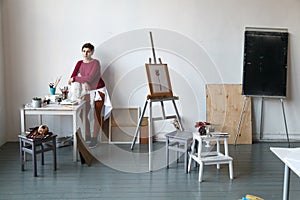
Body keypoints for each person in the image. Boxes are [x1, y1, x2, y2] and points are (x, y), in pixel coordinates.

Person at [68, 43, 108, 148]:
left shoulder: (96, 63)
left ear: (92, 52)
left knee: (96, 114)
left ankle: (94, 138)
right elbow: (72, 76)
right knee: (82, 114)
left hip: (98, 90)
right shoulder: (79, 63)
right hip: (87, 91)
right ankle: (88, 136)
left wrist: (78, 79)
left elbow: (89, 78)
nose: (85, 53)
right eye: (84, 51)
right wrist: (83, 82)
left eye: (88, 51)